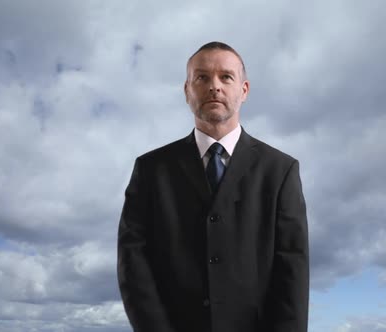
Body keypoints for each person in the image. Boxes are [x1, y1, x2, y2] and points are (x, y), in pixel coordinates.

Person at [117, 41, 309, 332]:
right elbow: (133, 263)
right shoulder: (150, 169)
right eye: (202, 77)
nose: (214, 86)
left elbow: (292, 271)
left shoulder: (281, 170)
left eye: (226, 77)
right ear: (186, 91)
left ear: (244, 90)